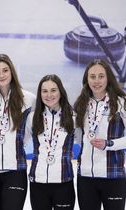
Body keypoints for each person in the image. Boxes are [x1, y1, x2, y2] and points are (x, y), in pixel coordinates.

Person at [73, 59, 126, 210]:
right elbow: (79, 136)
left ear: (108, 78)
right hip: (85, 177)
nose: (96, 81)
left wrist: (109, 144)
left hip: (113, 175)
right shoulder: (80, 104)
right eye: (92, 76)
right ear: (87, 79)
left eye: (101, 76)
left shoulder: (122, 103)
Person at [0, 53, 36, 210]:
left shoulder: (28, 99)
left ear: (12, 72)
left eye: (5, 70)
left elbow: (32, 129)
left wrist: (16, 145)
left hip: (15, 169)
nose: (1, 75)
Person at [26, 74, 75, 210]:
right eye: (44, 91)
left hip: (64, 182)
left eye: (53, 90)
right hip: (38, 183)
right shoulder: (32, 117)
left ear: (60, 91)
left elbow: (85, 141)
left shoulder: (73, 117)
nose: (49, 95)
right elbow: (21, 141)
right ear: (40, 94)